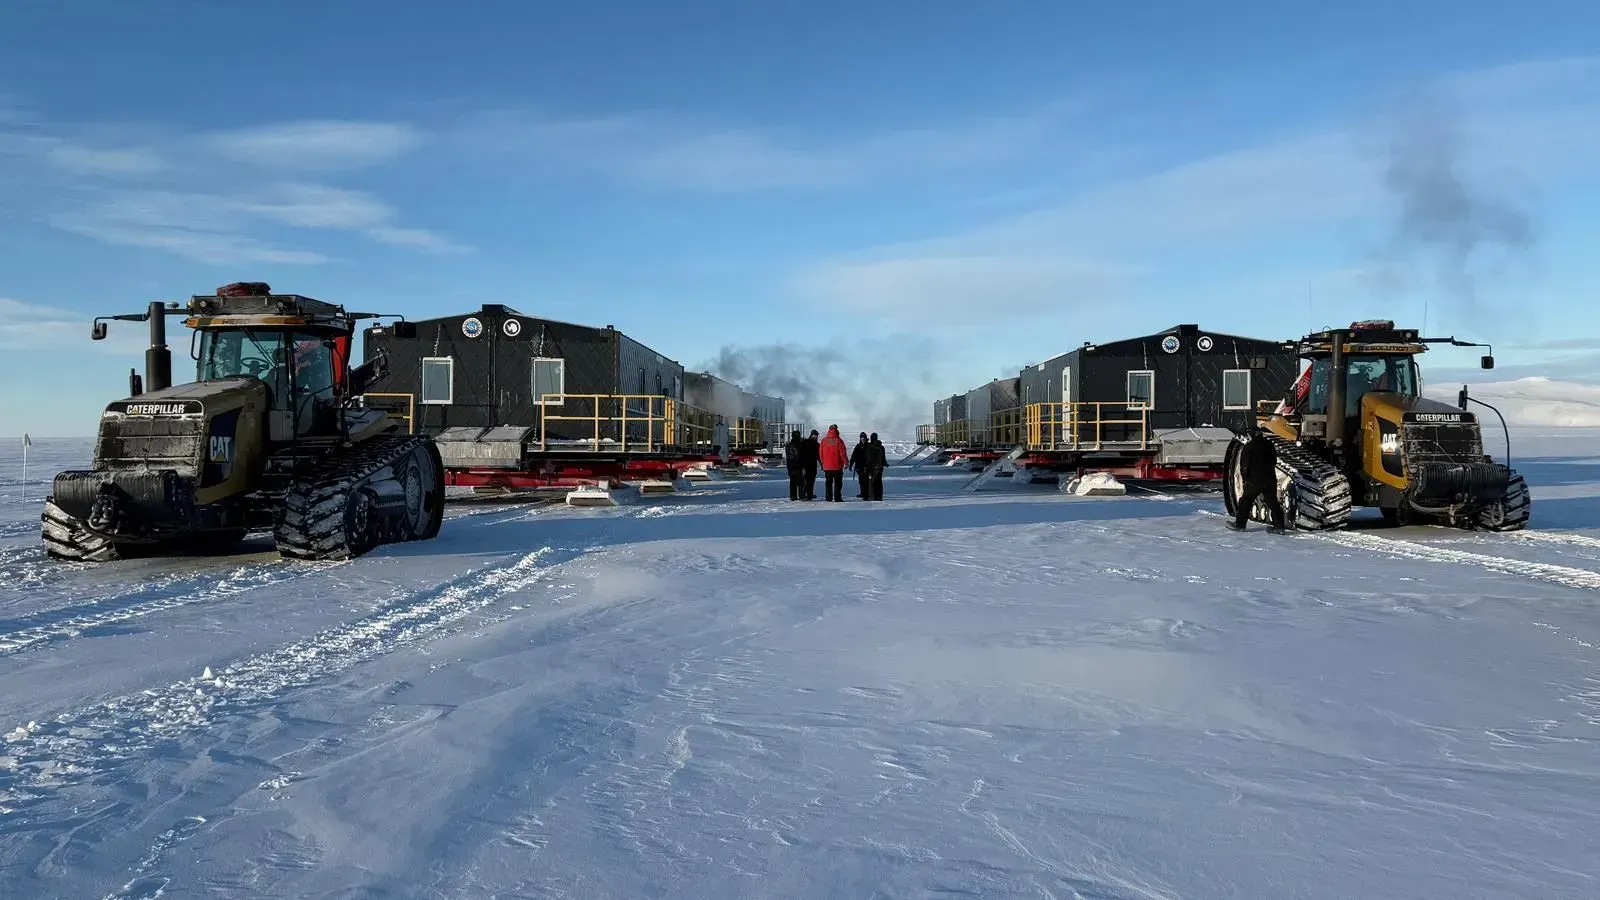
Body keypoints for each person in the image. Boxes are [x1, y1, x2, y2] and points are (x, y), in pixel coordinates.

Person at [1230, 432, 1286, 532]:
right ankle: (1279, 526)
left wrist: (1245, 479)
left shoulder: (1249, 446)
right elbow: (1274, 461)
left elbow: (1244, 465)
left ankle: (1240, 525)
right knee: (1273, 502)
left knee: (1245, 501)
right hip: (1270, 479)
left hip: (1254, 480)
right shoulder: (1269, 445)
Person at [818, 425, 850, 502]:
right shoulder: (839, 441)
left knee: (828, 483)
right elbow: (842, 453)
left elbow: (820, 453)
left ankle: (828, 497)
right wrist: (846, 462)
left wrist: (823, 463)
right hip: (837, 466)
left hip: (827, 467)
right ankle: (837, 497)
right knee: (838, 483)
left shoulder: (824, 441)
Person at [864, 432, 888, 500]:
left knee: (871, 482)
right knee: (879, 482)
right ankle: (879, 496)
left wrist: (866, 465)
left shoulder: (869, 447)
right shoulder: (881, 447)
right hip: (879, 467)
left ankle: (872, 496)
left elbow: (867, 457)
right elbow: (883, 457)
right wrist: (885, 463)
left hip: (871, 467)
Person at [784, 429, 806, 501]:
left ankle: (793, 496)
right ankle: (801, 495)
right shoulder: (799, 445)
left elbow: (787, 456)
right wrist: (803, 466)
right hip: (798, 465)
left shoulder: (788, 445)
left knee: (792, 482)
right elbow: (800, 456)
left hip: (790, 465)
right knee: (800, 482)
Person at [802, 429, 821, 500]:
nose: (816, 436)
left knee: (810, 480)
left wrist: (822, 464)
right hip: (808, 464)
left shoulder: (806, 442)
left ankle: (808, 494)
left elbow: (819, 456)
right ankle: (807, 494)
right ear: (811, 435)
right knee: (808, 480)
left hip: (810, 464)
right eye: (815, 435)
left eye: (816, 435)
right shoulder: (810, 443)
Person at [850, 432, 869, 498]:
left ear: (866, 438)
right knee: (861, 480)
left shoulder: (869, 446)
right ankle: (863, 493)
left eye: (864, 437)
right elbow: (853, 456)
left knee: (866, 480)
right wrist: (851, 464)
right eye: (861, 437)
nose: (863, 439)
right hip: (859, 466)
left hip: (867, 466)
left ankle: (867, 493)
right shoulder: (858, 446)